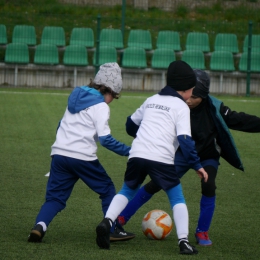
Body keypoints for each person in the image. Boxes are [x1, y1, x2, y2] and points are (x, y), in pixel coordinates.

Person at [117, 69, 260, 246]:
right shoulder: (176, 104)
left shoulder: (214, 107)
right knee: (155, 183)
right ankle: (122, 218)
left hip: (207, 156)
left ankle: (202, 232)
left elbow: (240, 120)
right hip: (183, 155)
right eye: (189, 96)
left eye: (195, 97)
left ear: (204, 95)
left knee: (209, 185)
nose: (189, 100)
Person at [95, 60, 208, 255]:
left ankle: (107, 222)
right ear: (185, 89)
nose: (191, 94)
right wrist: (197, 165)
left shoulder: (152, 99)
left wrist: (144, 135)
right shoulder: (182, 107)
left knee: (126, 191)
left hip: (137, 153)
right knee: (177, 197)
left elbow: (130, 124)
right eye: (191, 89)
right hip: (161, 158)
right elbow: (185, 141)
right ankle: (184, 242)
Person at [27, 62, 135, 243]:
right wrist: (130, 151)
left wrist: (63, 146)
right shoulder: (101, 106)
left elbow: (61, 125)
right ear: (110, 90)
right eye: (113, 96)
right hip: (83, 158)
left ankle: (39, 226)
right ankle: (113, 229)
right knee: (107, 189)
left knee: (55, 198)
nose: (111, 101)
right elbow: (106, 140)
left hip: (60, 154)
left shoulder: (76, 95)